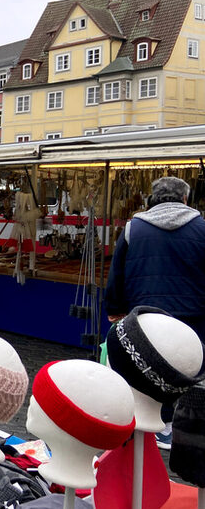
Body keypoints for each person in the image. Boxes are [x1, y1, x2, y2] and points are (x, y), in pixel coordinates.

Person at [105, 176, 205, 449]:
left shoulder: (133, 228)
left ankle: (153, 421)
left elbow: (117, 273)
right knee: (187, 369)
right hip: (192, 314)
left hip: (146, 315)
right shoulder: (202, 228)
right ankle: (180, 425)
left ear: (153, 199)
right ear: (185, 199)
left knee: (148, 367)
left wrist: (114, 308)